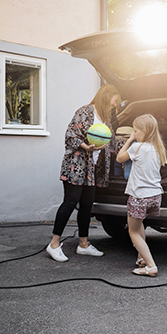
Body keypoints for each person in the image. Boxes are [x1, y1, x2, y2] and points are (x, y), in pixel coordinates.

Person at [46, 85, 121, 262]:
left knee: (87, 205)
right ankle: (54, 244)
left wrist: (134, 142)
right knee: (70, 202)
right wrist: (86, 146)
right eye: (114, 101)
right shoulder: (85, 111)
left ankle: (84, 244)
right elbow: (70, 134)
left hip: (91, 169)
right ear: (105, 98)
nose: (114, 105)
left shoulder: (105, 119)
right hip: (75, 166)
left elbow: (111, 141)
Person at [116, 114, 167, 277]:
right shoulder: (158, 149)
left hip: (139, 196)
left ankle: (151, 266)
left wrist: (130, 140)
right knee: (139, 226)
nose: (134, 133)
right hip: (155, 195)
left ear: (144, 131)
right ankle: (142, 258)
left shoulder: (137, 147)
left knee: (133, 231)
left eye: (136, 131)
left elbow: (119, 158)